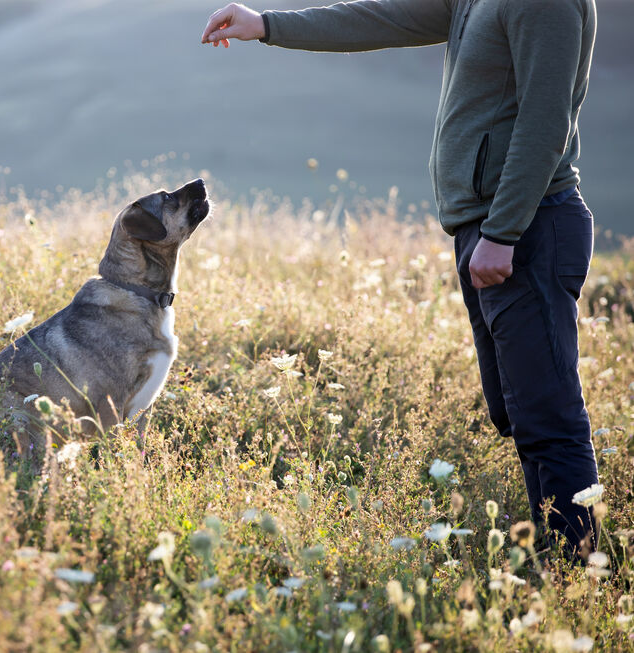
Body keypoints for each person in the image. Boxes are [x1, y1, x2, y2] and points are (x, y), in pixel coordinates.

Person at [201, 0, 600, 555]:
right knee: (520, 414)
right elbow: (384, 18)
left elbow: (545, 119)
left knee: (548, 419)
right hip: (490, 228)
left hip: (526, 229)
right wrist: (267, 26)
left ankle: (577, 579)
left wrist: (504, 233)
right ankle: (559, 568)